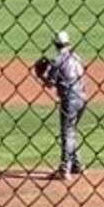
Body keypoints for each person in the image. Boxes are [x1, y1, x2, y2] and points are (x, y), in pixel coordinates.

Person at [35, 31, 88, 179]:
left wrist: (40, 75)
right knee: (72, 131)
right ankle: (77, 165)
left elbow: (50, 84)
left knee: (67, 133)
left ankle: (65, 169)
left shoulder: (58, 61)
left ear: (56, 44)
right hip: (83, 98)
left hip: (69, 100)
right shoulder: (77, 58)